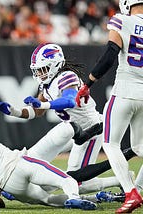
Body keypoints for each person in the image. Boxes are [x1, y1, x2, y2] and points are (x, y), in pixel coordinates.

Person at [0, 43, 120, 194]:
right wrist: (14, 111)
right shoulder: (46, 84)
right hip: (70, 129)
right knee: (32, 160)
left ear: (55, 64)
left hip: (90, 130)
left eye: (43, 69)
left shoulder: (66, 76)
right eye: (37, 70)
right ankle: (21, 186)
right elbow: (37, 111)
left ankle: (120, 180)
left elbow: (69, 100)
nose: (40, 74)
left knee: (75, 181)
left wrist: (43, 103)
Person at [75, 0, 143, 213]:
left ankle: (131, 193)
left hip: (124, 90)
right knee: (140, 147)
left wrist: (88, 84)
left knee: (110, 144)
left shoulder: (122, 20)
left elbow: (110, 55)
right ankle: (138, 189)